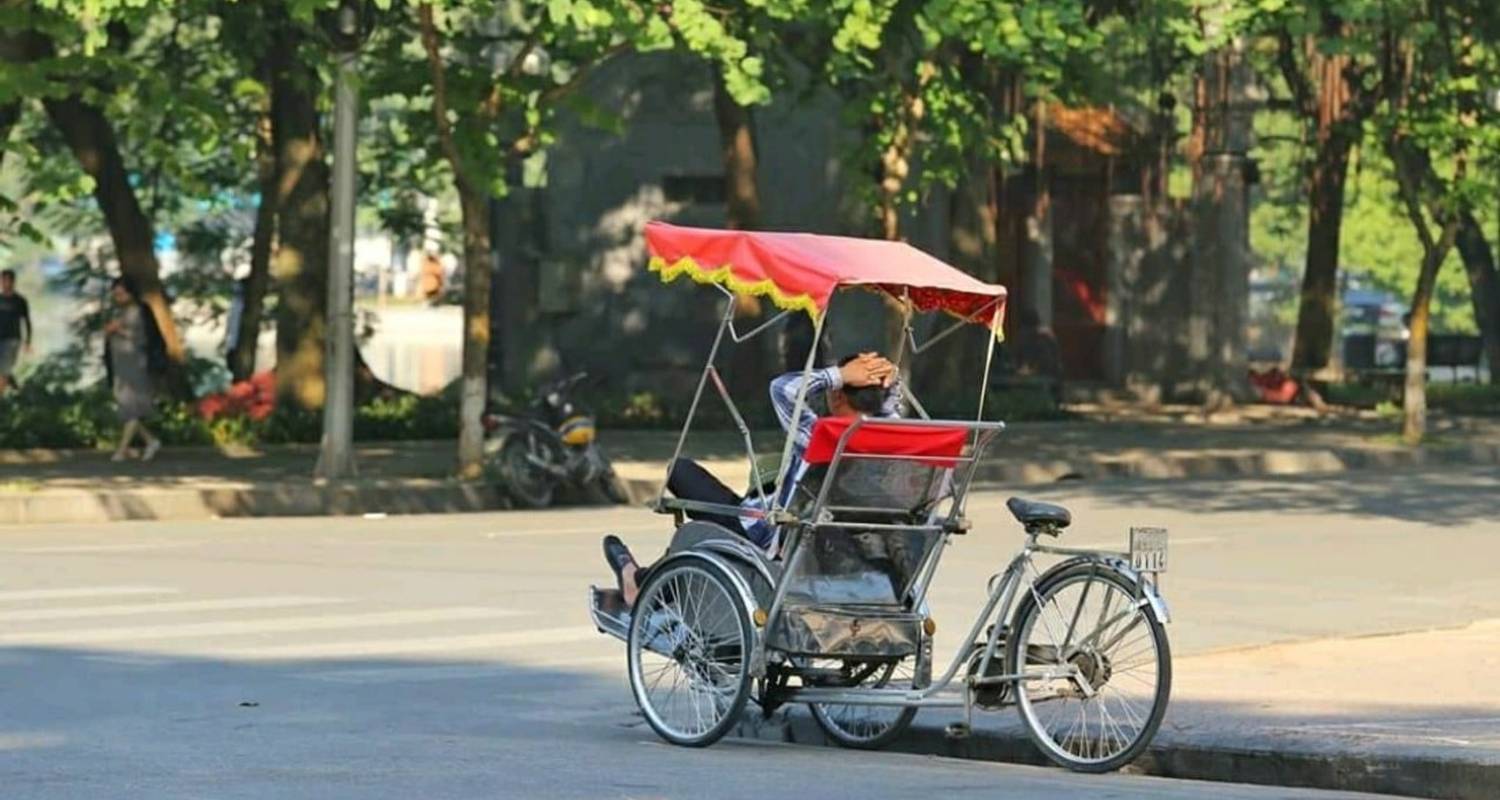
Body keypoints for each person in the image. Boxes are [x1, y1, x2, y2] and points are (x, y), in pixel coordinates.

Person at [602, 351, 901, 606]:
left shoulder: (822, 436)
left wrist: (837, 374)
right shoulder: (894, 439)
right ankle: (646, 577)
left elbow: (782, 388)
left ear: (836, 394)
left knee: (680, 471)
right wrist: (889, 381)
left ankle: (639, 582)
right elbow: (890, 412)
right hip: (850, 550)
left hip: (767, 539)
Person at [103, 277, 164, 462]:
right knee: (126, 406)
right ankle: (151, 440)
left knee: (132, 407)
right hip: (121, 365)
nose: (118, 297)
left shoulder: (139, 311)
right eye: (115, 294)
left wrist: (119, 331)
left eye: (121, 293)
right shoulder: (120, 312)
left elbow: (143, 339)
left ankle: (121, 450)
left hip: (135, 364)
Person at [0, 268, 32, 393]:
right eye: (2, 280)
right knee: (3, 370)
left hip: (12, 340)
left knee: (3, 371)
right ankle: (12, 382)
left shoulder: (20, 301)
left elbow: (27, 321)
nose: (4, 283)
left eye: (7, 280)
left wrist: (28, 342)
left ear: (13, 282)